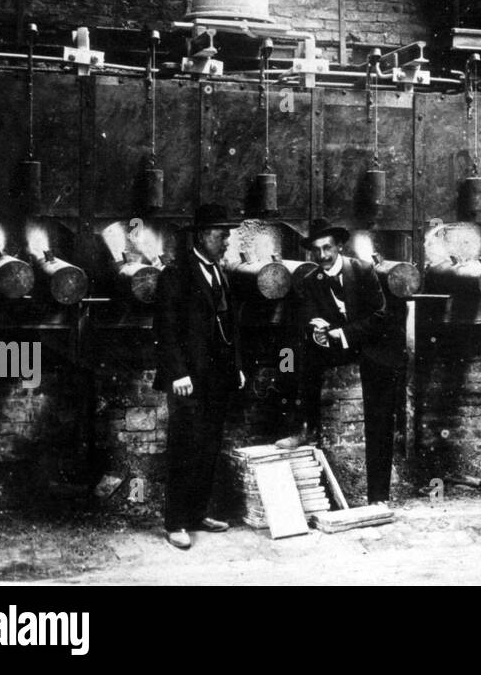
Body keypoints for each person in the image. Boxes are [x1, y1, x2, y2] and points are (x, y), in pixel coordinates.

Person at [275, 219, 400, 507]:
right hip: (337, 343)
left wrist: (340, 332)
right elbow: (308, 317)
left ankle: (378, 496)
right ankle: (306, 426)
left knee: (379, 416)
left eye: (327, 248)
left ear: (339, 246)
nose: (322, 256)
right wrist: (315, 329)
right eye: (316, 251)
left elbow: (380, 318)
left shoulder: (364, 271)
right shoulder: (309, 281)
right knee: (290, 350)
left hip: (374, 345)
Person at [154, 203, 246, 550]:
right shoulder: (175, 275)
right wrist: (177, 373)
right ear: (203, 235)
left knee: (209, 447)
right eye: (222, 235)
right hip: (188, 380)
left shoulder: (219, 273)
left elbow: (230, 328)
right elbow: (165, 330)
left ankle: (196, 513)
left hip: (218, 378)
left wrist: (235, 366)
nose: (226, 242)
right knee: (184, 447)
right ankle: (176, 522)